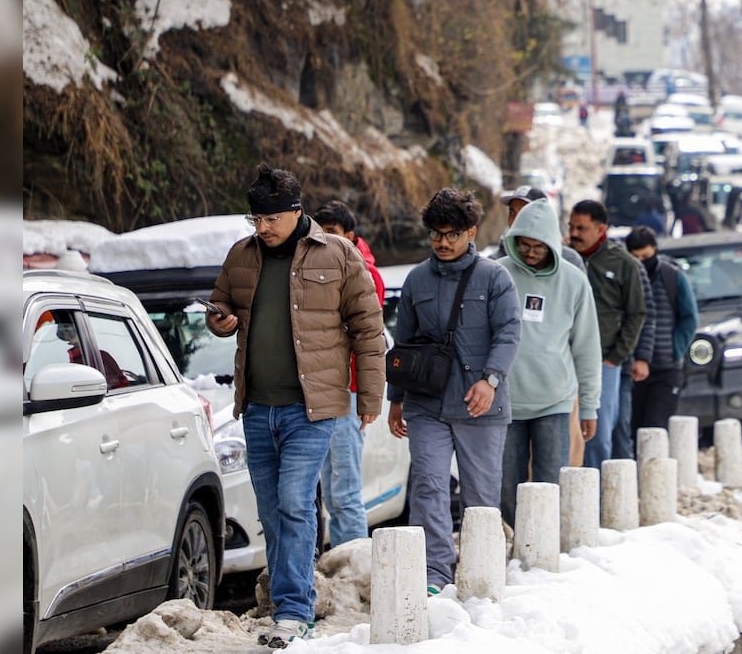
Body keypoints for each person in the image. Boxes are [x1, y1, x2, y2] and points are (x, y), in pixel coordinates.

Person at [207, 164, 386, 648]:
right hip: (256, 406)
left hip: (313, 407)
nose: (262, 228)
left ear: (295, 211)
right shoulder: (241, 255)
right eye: (256, 219)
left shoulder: (339, 253)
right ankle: (291, 597)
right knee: (271, 510)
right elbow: (220, 306)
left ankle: (293, 608)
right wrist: (220, 322)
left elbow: (369, 330)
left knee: (294, 501)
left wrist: (370, 396)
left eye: (271, 218)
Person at [386, 189, 521, 596]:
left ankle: (483, 571)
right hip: (426, 403)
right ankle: (434, 573)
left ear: (471, 232)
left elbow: (509, 332)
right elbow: (403, 345)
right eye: (436, 234)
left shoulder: (495, 277)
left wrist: (490, 379)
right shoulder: (416, 280)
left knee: (480, 495)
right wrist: (396, 399)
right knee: (428, 485)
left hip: (480, 405)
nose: (442, 242)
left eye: (452, 234)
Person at [496, 199, 601, 525]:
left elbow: (587, 348)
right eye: (524, 245)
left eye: (538, 247)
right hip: (507, 400)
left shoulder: (574, 281)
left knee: (550, 484)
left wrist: (589, 406)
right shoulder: (498, 274)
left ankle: (547, 544)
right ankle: (516, 541)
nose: (530, 253)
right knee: (507, 486)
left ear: (552, 244)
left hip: (555, 400)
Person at [311, 200, 384, 550]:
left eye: (333, 232)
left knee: (344, 490)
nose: (326, 239)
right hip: (323, 390)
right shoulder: (317, 267)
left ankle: (355, 565)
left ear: (350, 236)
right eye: (321, 232)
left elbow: (366, 337)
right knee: (330, 489)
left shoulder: (365, 274)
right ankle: (341, 560)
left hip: (348, 390)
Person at [568, 200, 647, 469]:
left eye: (581, 228)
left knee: (598, 434)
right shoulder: (563, 259)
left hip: (604, 362)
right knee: (564, 434)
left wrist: (616, 357)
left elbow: (637, 313)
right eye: (571, 226)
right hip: (563, 360)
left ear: (601, 229)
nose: (574, 233)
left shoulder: (623, 263)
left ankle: (597, 491)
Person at [625, 226, 699, 433]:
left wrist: (675, 350)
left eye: (645, 256)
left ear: (655, 250)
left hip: (666, 369)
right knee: (632, 429)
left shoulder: (672, 277)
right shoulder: (626, 277)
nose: (641, 262)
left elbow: (689, 318)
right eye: (635, 257)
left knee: (655, 427)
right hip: (632, 370)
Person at [611, 258, 655, 461]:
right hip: (594, 362)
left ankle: (624, 476)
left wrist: (641, 357)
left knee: (621, 426)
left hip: (620, 362)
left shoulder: (628, 266)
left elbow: (642, 316)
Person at [492, 186, 583, 269]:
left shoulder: (570, 260)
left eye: (524, 213)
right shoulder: (495, 264)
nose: (515, 219)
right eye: (512, 212)